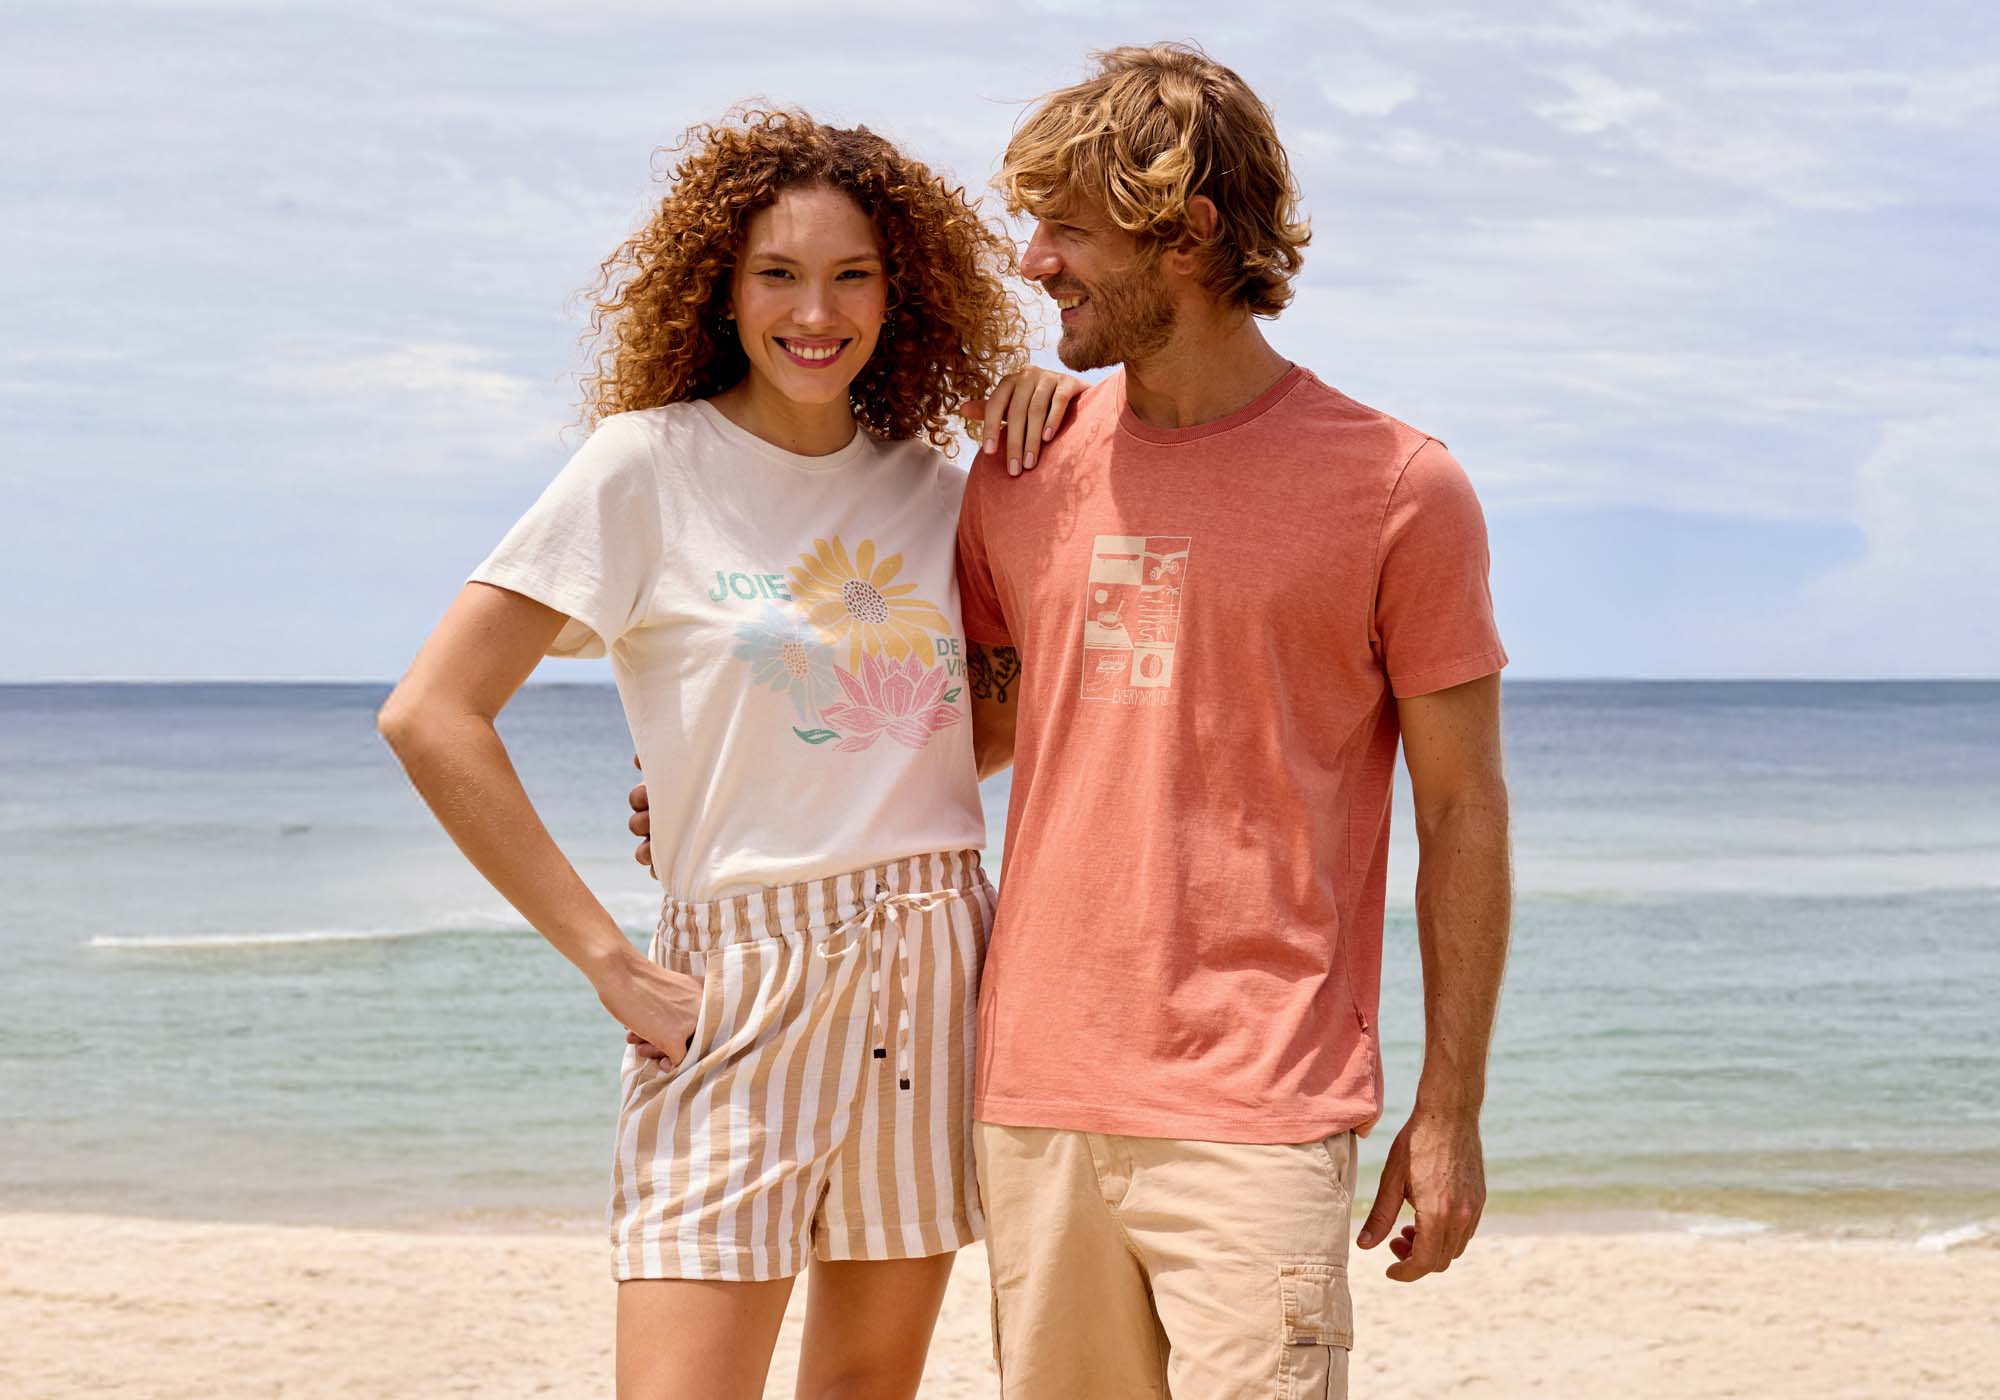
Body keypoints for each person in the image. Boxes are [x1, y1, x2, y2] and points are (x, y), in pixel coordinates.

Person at [632, 42, 1513, 1399]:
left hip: (1257, 1110)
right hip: (1031, 1097)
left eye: (1069, 231)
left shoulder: (1401, 487)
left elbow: (1462, 809)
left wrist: (1450, 1109)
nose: (1033, 262)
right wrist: (739, 783)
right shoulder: (1024, 468)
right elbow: (960, 720)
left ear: (1190, 235)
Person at [378, 107, 1084, 1400]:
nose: (815, 311)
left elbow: (993, 720)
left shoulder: (940, 489)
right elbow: (431, 713)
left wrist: (1059, 412)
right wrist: (610, 963)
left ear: (898, 290)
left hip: (930, 963)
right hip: (731, 983)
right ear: (722, 287)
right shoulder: (644, 468)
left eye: (851, 274)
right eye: (778, 273)